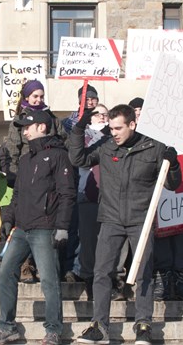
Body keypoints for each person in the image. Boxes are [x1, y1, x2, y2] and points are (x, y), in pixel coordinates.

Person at [71, 104, 182, 345]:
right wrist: (79, 129)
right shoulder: (106, 146)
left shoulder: (153, 148)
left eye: (118, 128)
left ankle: (143, 325)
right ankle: (99, 325)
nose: (114, 133)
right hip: (110, 219)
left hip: (140, 220)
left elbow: (172, 184)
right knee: (101, 272)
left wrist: (173, 164)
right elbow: (78, 158)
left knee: (143, 273)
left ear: (132, 124)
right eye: (111, 128)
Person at [0, 109, 76, 345]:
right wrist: (8, 220)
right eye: (23, 128)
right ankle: (7, 327)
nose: (24, 131)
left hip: (46, 229)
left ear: (42, 127)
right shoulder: (26, 160)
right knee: (5, 274)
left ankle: (54, 330)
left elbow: (67, 194)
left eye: (28, 127)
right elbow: (16, 195)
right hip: (21, 229)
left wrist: (63, 226)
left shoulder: (59, 156)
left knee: (48, 280)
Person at [0, 79, 66, 284]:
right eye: (35, 96)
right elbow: (12, 149)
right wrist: (15, 175)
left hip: (48, 173)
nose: (38, 99)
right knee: (22, 221)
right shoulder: (19, 121)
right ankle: (25, 265)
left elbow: (64, 140)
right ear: (26, 97)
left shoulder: (52, 119)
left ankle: (42, 266)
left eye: (41, 96)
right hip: (26, 174)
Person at [64, 104, 110, 299]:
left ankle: (110, 279)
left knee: (107, 243)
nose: (101, 117)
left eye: (105, 114)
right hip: (87, 194)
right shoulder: (83, 135)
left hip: (109, 198)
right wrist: (80, 127)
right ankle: (90, 280)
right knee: (88, 242)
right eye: (97, 114)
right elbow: (76, 154)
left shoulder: (113, 137)